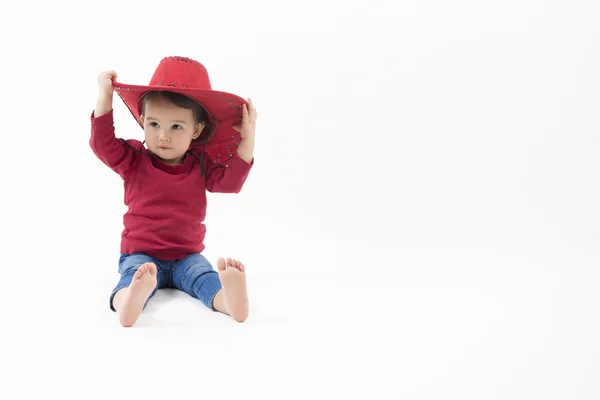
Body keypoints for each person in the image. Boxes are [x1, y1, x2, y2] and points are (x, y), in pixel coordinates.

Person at [89, 56, 257, 327]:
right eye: (154, 124)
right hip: (140, 253)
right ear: (142, 121)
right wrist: (105, 97)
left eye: (176, 126)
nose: (163, 135)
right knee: (132, 276)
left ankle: (226, 300)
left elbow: (231, 183)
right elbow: (102, 144)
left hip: (186, 256)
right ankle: (128, 301)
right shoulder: (134, 158)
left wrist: (248, 138)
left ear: (197, 130)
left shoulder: (201, 164)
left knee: (203, 276)